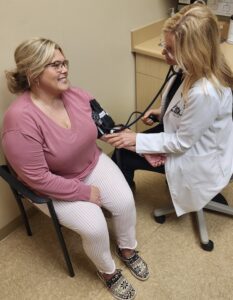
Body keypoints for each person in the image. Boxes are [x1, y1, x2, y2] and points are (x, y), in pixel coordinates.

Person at [1, 37, 149, 300]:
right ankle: (107, 271)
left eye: (64, 62)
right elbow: (37, 179)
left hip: (89, 161)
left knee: (125, 201)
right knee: (94, 227)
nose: (65, 69)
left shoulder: (79, 95)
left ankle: (127, 249)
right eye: (55, 65)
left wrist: (141, 143)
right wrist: (83, 192)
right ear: (33, 72)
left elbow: (107, 128)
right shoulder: (19, 121)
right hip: (52, 184)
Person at [106, 3, 233, 217]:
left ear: (194, 51)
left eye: (171, 49)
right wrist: (161, 111)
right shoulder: (194, 68)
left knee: (122, 153)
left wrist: (136, 140)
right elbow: (188, 106)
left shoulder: (205, 91)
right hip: (193, 138)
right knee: (126, 142)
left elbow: (182, 142)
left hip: (195, 157)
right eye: (164, 45)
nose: (164, 52)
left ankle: (120, 207)